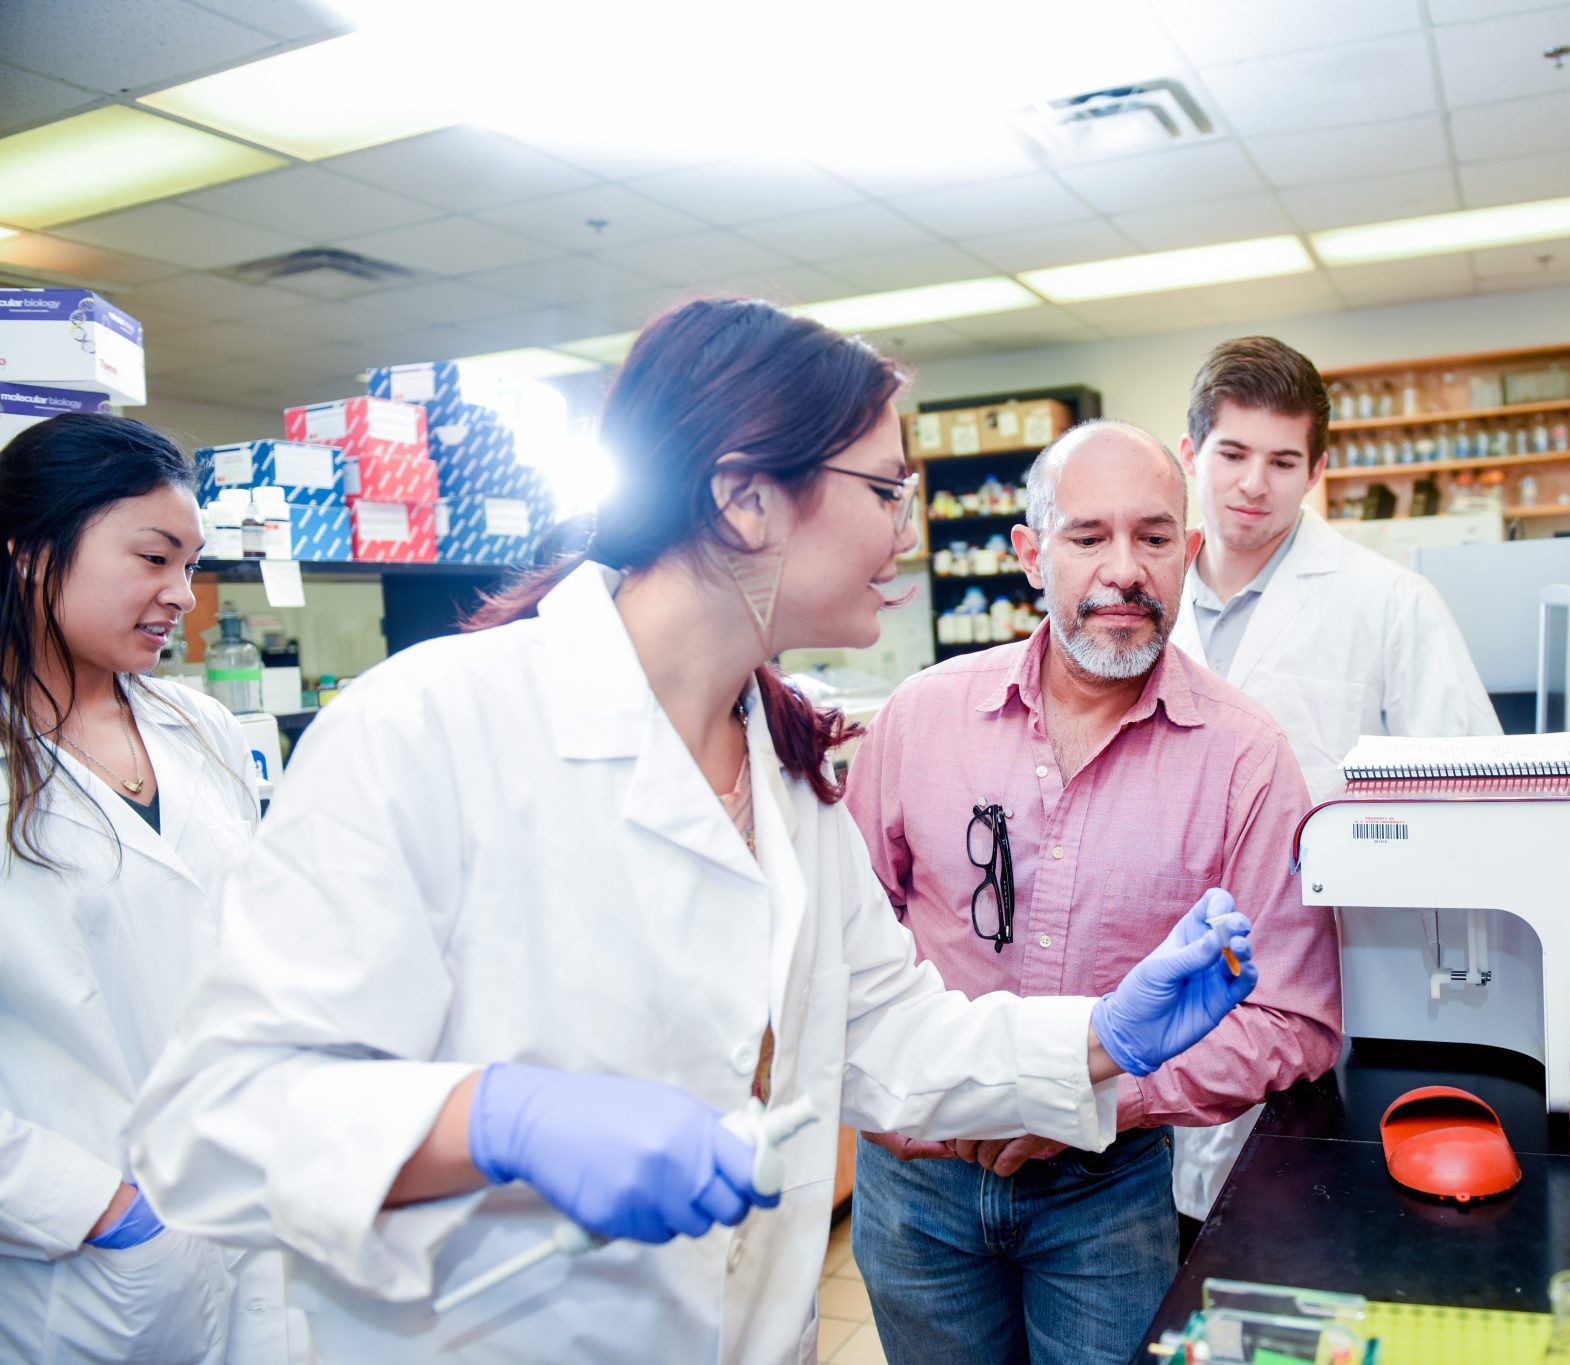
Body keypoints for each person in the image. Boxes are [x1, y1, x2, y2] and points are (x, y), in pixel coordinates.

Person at [130, 298, 1257, 1365]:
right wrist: (502, 1119)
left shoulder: (786, 778)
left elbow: (893, 1039)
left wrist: (1104, 1034)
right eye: (882, 489)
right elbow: (212, 1122)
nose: (903, 533)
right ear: (745, 498)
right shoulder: (429, 725)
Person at [845, 419, 1342, 1365]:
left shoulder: (1243, 756)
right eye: (1088, 537)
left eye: (1155, 538)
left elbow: (1295, 1014)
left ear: (1189, 556)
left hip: (1104, 1193)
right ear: (1032, 555)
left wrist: (1099, 1097)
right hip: (916, 1185)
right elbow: (848, 943)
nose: (1125, 568)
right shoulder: (921, 718)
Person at [1167, 336, 1499, 1230]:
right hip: (1151, 982)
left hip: (1324, 986)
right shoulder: (1140, 602)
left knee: (1290, 1246)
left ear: (1318, 467)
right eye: (1232, 454)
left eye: (1282, 461)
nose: (1252, 484)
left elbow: (1471, 788)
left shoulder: (1387, 602)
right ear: (1191, 453)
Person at [0, 414, 285, 1363]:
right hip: (81, 1263)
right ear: (34, 553)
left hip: (246, 1216)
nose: (184, 598)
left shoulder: (201, 727)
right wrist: (95, 1208)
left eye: (193, 566)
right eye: (154, 558)